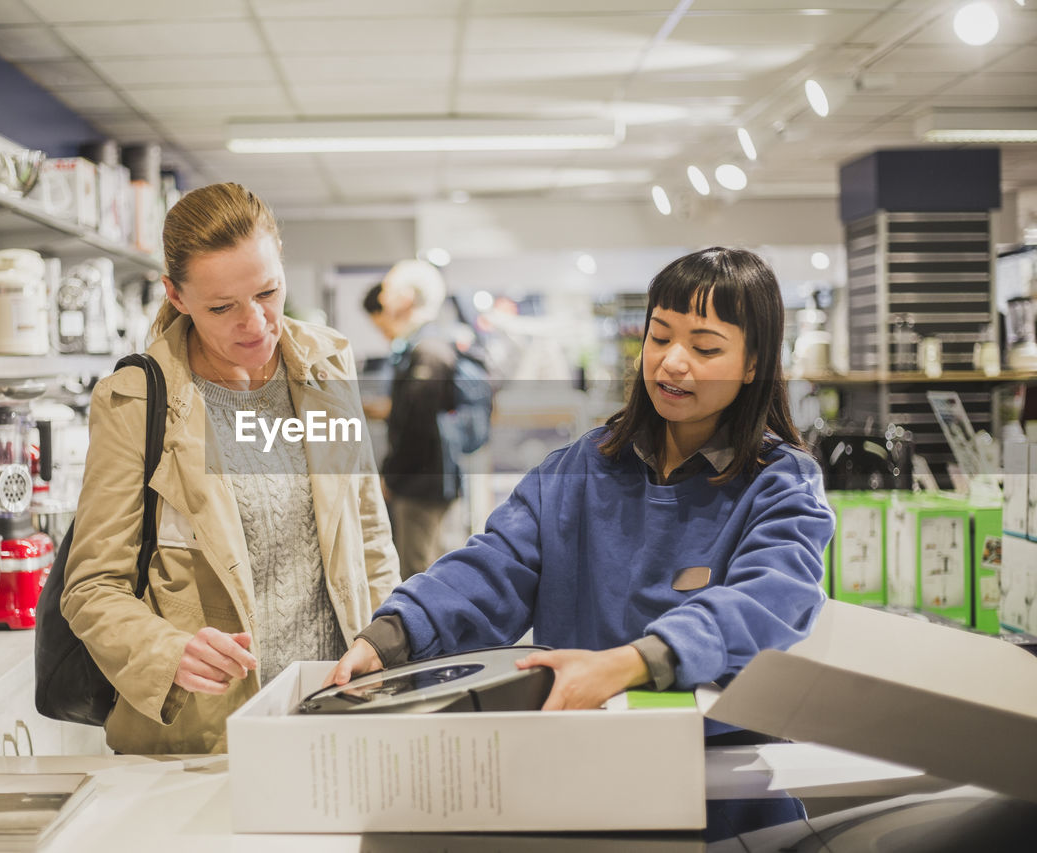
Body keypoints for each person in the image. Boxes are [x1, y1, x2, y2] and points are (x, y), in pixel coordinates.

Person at [328, 247, 834, 724]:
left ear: (753, 365)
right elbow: (492, 568)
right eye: (659, 337)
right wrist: (392, 635)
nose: (673, 361)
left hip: (722, 773)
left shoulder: (780, 483)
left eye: (704, 347)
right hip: (579, 754)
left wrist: (637, 661)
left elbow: (769, 598)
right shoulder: (579, 470)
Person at [62, 182, 400, 754]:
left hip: (335, 708)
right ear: (176, 295)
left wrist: (389, 653)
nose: (255, 323)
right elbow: (93, 586)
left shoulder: (326, 366)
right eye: (222, 307)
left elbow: (369, 537)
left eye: (268, 292)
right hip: (204, 734)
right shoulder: (135, 402)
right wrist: (166, 652)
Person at [368, 260, 466, 580]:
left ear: (407, 298)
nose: (382, 300)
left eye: (387, 291)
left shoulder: (427, 352)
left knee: (418, 574)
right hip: (426, 480)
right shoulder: (422, 348)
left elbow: (417, 426)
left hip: (420, 484)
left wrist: (391, 476)